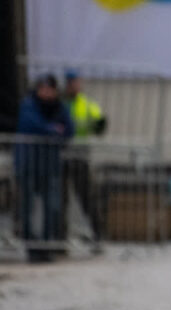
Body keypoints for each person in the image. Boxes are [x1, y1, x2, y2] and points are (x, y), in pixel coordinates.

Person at [15, 73, 75, 262]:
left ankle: (47, 245)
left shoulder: (60, 107)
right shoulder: (28, 105)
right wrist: (53, 130)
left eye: (51, 89)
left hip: (50, 164)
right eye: (44, 88)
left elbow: (69, 129)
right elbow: (31, 125)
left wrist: (54, 131)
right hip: (29, 163)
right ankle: (31, 246)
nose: (47, 92)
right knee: (27, 207)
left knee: (53, 207)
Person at [61, 69, 107, 244]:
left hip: (80, 156)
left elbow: (98, 122)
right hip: (60, 155)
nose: (77, 85)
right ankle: (60, 239)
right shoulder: (60, 103)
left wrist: (100, 124)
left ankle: (98, 235)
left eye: (78, 82)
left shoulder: (86, 103)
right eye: (74, 82)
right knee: (60, 201)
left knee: (87, 198)